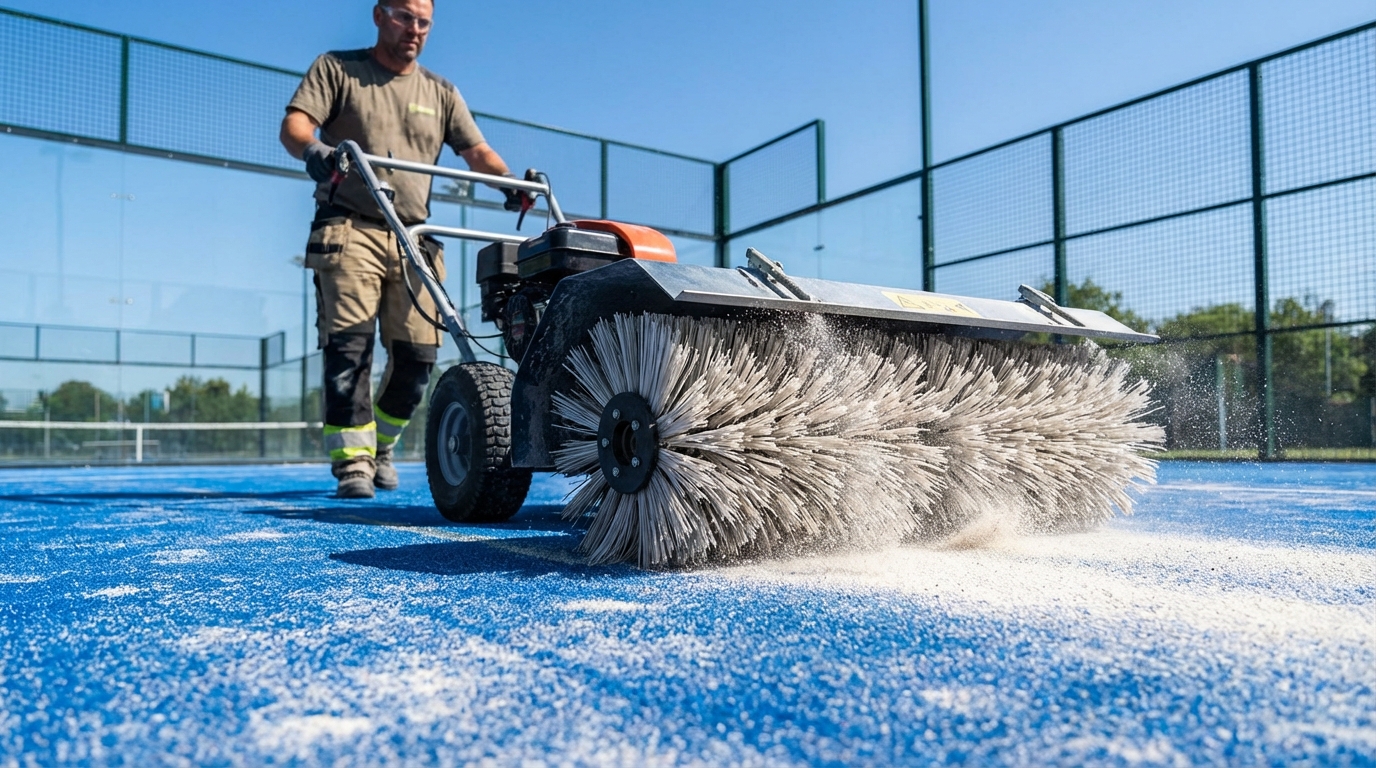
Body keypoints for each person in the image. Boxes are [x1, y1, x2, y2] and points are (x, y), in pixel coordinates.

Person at [279, 0, 526, 498]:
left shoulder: (440, 92)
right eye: (404, 16)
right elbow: (297, 125)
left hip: (414, 234)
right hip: (351, 226)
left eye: (423, 21)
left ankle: (381, 446)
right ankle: (353, 463)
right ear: (379, 15)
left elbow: (476, 151)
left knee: (418, 356)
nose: (414, 29)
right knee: (349, 348)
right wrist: (314, 151)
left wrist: (509, 182)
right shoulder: (338, 69)